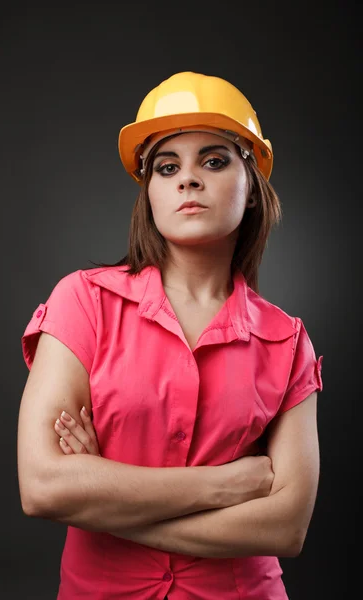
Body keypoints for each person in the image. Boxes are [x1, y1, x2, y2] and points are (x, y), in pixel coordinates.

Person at [17, 71, 324, 600]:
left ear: (251, 189)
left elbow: (285, 527)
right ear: (150, 194)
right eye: (166, 167)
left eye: (213, 160)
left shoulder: (287, 341)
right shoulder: (84, 301)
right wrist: (227, 486)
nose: (187, 179)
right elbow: (44, 487)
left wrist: (103, 493)